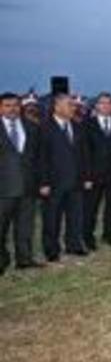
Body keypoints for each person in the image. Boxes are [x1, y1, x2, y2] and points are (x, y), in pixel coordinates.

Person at [39, 93, 92, 260]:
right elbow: (41, 158)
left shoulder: (77, 127)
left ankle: (74, 245)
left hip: (75, 181)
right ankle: (52, 250)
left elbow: (84, 155)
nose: (73, 107)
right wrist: (43, 182)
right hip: (53, 183)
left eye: (73, 105)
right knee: (52, 218)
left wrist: (86, 177)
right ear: (57, 107)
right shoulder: (45, 128)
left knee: (75, 216)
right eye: (69, 104)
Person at [0, 92, 43, 274]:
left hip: (27, 186)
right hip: (3, 189)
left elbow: (38, 157)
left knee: (25, 226)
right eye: (8, 105)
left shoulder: (31, 127)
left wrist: (40, 182)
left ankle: (24, 259)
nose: (12, 109)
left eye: (16, 105)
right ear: (1, 108)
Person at [83, 92, 111, 249]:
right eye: (102, 103)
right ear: (97, 106)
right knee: (91, 208)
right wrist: (87, 176)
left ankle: (109, 234)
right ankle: (88, 237)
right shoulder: (87, 124)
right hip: (94, 174)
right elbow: (84, 152)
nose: (105, 106)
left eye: (108, 103)